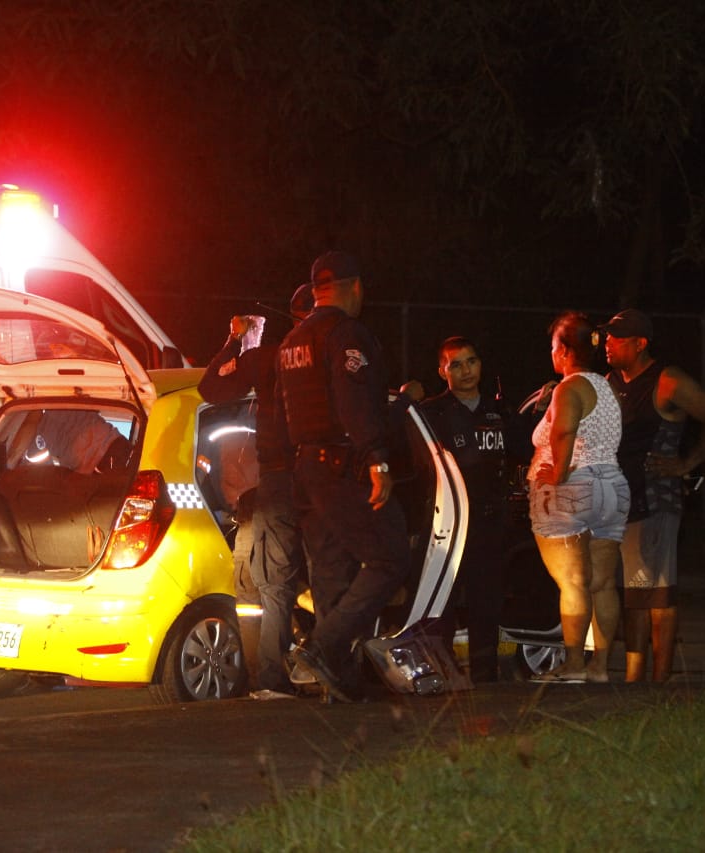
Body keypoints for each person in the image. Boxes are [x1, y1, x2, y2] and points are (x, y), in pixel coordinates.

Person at [275, 251, 411, 702]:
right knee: (390, 557)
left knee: (330, 571)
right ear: (354, 287)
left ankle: (339, 681)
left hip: (305, 470)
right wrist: (378, 460)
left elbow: (280, 414)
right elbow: (354, 403)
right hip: (342, 465)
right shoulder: (346, 335)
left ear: (316, 291)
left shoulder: (291, 341)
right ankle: (321, 646)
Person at [602, 309, 705, 683]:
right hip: (622, 501)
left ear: (640, 344)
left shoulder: (666, 380)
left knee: (657, 593)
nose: (607, 344)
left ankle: (658, 682)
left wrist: (686, 462)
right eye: (607, 337)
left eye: (617, 338)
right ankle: (633, 679)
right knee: (633, 593)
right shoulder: (612, 382)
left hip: (657, 499)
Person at [400, 336, 519, 682]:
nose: (465, 371)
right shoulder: (431, 413)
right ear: (442, 371)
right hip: (447, 525)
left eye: (471, 361)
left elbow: (528, 447)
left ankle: (486, 675)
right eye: (456, 364)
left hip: (490, 523)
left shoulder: (500, 411)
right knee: (442, 603)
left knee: (487, 602)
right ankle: (441, 674)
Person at [199, 307, 305, 697]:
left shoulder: (262, 366)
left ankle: (262, 680)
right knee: (271, 587)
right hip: (282, 492)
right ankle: (270, 680)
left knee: (253, 590)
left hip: (259, 498)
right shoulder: (306, 363)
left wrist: (235, 341)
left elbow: (212, 386)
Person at [527, 312, 629, 684]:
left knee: (572, 583)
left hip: (573, 490)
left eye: (555, 346)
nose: (552, 354)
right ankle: (599, 668)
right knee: (602, 582)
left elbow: (564, 436)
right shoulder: (606, 386)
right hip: (611, 489)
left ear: (567, 350)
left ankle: (572, 666)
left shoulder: (569, 388)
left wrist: (555, 475)